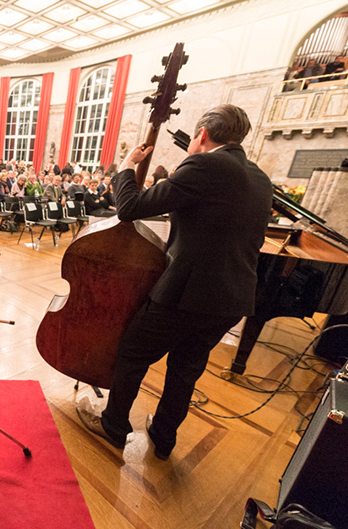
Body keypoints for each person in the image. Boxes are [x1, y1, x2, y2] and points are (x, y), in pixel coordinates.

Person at [77, 104, 273, 461]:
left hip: (186, 294)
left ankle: (114, 426)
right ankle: (164, 436)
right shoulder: (260, 178)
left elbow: (130, 207)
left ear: (202, 134)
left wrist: (125, 167)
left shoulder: (205, 164)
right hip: (233, 299)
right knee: (186, 369)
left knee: (134, 352)